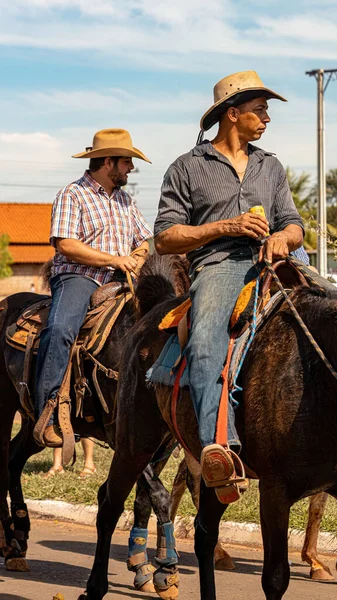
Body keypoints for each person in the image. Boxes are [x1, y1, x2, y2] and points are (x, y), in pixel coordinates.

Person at [154, 71, 304, 502]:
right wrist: (227, 226)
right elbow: (164, 237)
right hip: (219, 266)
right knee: (205, 342)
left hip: (276, 260)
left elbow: (293, 223)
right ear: (232, 114)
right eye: (260, 110)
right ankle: (217, 447)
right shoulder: (187, 167)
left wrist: (283, 237)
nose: (267, 118)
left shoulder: (269, 165)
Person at [34, 128, 153, 448]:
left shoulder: (126, 201)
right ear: (108, 162)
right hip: (78, 276)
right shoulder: (72, 194)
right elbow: (66, 244)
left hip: (119, 280)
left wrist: (138, 256)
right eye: (127, 161)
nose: (131, 168)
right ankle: (46, 408)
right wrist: (115, 259)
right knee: (60, 328)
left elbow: (144, 240)